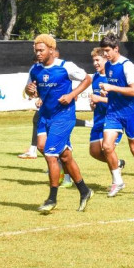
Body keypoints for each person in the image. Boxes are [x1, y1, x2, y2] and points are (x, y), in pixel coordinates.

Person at [25, 35, 93, 213]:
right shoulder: (35, 69)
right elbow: (30, 90)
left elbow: (87, 79)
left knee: (49, 154)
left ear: (51, 50)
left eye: (41, 50)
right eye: (36, 50)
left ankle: (52, 198)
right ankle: (84, 191)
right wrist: (31, 91)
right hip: (45, 116)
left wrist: (71, 95)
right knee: (60, 154)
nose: (38, 53)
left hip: (63, 117)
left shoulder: (65, 67)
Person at [98, 34, 134, 196]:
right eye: (103, 51)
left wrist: (111, 88)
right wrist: (105, 91)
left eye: (107, 51)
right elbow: (113, 87)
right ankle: (117, 181)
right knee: (107, 146)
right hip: (113, 112)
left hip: (131, 112)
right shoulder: (107, 66)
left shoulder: (127, 66)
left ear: (116, 49)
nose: (105, 54)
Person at [88, 47, 126, 188]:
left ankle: (117, 181)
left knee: (107, 149)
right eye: (93, 61)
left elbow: (120, 100)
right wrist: (93, 103)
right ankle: (118, 163)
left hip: (113, 118)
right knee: (94, 152)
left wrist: (100, 99)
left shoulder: (113, 77)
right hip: (98, 119)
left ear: (105, 59)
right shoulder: (95, 77)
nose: (95, 63)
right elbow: (97, 99)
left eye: (98, 60)